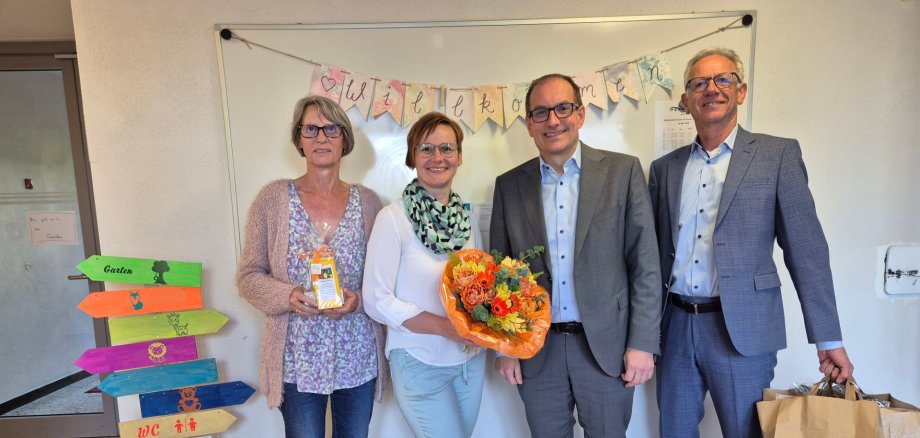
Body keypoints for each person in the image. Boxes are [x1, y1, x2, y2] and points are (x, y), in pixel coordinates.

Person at [648, 47, 854, 437]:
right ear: (686, 100)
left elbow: (806, 251)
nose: (712, 89)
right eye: (699, 83)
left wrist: (828, 338)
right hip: (675, 326)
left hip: (742, 328)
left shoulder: (777, 155)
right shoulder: (665, 169)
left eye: (723, 79)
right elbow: (652, 257)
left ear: (740, 92)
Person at [490, 74, 662, 438]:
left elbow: (645, 265)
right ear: (529, 125)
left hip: (607, 348)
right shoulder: (508, 185)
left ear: (580, 115)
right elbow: (500, 273)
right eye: (540, 112)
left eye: (563, 108)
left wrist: (643, 343)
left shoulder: (622, 172)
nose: (553, 120)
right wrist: (505, 347)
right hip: (538, 352)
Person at [237, 95, 387, 438]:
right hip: (297, 360)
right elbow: (248, 277)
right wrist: (288, 296)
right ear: (299, 138)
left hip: (357, 354)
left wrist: (358, 300)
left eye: (331, 129)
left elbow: (384, 280)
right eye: (311, 129)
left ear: (344, 139)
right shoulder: (273, 200)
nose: (321, 137)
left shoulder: (368, 203)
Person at [363, 112, 485, 438]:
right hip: (418, 361)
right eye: (426, 148)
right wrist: (445, 328)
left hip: (470, 361)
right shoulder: (393, 219)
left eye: (446, 148)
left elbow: (482, 285)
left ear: (459, 156)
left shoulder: (467, 220)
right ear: (412, 157)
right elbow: (376, 299)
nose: (437, 157)